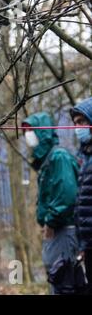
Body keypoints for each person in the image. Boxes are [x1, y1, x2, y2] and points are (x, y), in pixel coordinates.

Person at [22, 112, 79, 294]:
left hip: (64, 231)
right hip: (56, 233)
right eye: (26, 131)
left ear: (43, 132)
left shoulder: (58, 157)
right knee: (56, 281)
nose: (27, 135)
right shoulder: (47, 161)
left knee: (65, 283)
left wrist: (51, 220)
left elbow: (67, 194)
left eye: (31, 130)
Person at [70, 97, 92, 294]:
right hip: (88, 244)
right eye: (75, 123)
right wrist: (83, 244)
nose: (77, 127)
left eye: (82, 122)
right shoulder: (84, 156)